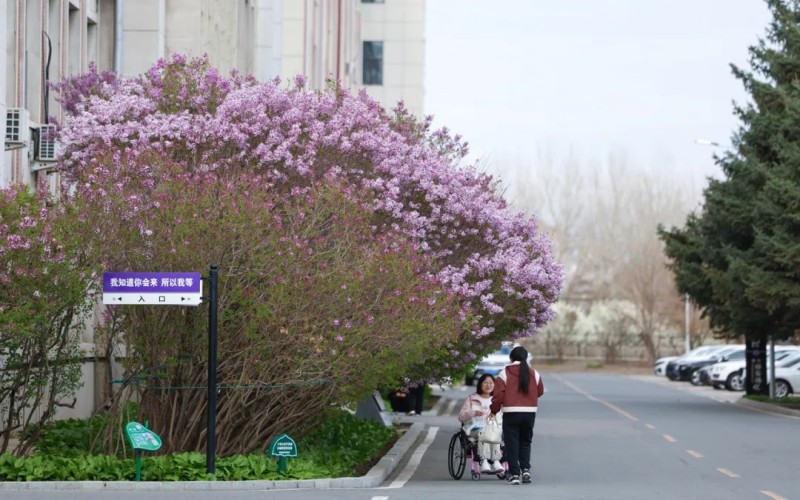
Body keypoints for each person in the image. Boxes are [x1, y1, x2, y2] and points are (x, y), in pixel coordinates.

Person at [490, 345, 543, 485]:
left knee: (511, 444)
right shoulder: (534, 373)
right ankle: (526, 469)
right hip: (529, 413)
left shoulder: (504, 373)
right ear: (526, 357)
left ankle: (514, 474)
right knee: (526, 442)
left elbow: (498, 395)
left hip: (511, 412)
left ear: (511, 357)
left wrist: (493, 410)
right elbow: (540, 391)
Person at [458, 374, 504, 474]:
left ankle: (496, 461)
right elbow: (461, 416)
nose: (488, 385)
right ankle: (484, 461)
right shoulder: (472, 399)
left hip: (493, 429)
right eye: (485, 383)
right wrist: (473, 413)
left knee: (493, 432)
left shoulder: (498, 400)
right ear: (480, 384)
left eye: (491, 383)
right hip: (474, 429)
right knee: (484, 433)